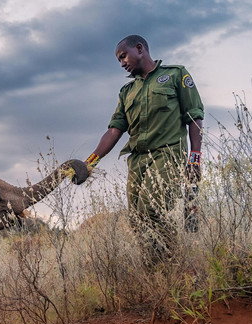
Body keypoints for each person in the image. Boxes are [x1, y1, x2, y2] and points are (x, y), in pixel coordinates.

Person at [80, 34, 204, 263]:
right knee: (137, 219)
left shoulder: (176, 74)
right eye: (119, 60)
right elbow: (114, 130)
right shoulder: (127, 92)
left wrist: (195, 158)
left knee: (152, 209)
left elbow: (194, 118)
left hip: (167, 155)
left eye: (123, 56)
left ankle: (173, 263)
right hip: (137, 161)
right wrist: (90, 162)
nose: (121, 63)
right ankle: (154, 269)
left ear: (139, 49)